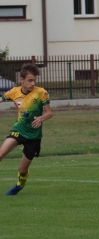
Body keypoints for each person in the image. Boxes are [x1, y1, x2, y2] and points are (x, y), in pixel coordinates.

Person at [0, 63, 53, 195]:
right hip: (19, 129)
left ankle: (19, 185)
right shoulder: (14, 92)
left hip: (34, 136)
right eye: (30, 80)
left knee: (22, 170)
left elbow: (49, 113)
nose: (33, 83)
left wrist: (41, 118)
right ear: (21, 80)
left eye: (34, 80)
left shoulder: (41, 93)